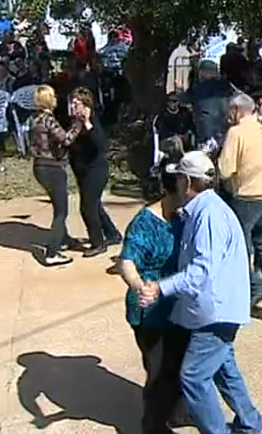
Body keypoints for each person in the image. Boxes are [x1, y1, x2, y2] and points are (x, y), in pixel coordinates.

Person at [138, 151, 262, 434]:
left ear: (186, 180)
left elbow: (201, 270)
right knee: (224, 368)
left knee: (194, 377)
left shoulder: (208, 216)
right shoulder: (204, 210)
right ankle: (252, 425)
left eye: (178, 177)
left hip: (216, 311)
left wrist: (161, 287)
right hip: (216, 309)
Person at [116, 160, 189, 433]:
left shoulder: (186, 216)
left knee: (181, 365)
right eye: (183, 194)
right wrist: (139, 286)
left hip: (180, 304)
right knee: (158, 372)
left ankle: (178, 413)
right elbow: (127, 262)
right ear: (170, 191)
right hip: (150, 308)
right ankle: (153, 426)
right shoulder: (144, 223)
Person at [217, 94, 262, 307]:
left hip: (248, 195)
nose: (228, 116)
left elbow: (225, 169)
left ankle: (255, 285)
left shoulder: (236, 133)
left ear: (237, 111)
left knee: (240, 245)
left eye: (230, 111)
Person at [30, 85, 86, 267]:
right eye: (53, 96)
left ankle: (64, 238)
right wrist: (78, 124)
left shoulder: (35, 119)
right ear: (49, 100)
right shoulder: (48, 120)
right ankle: (52, 253)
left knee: (57, 205)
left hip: (39, 166)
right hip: (52, 167)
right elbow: (66, 140)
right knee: (61, 212)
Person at [68, 88, 122, 257]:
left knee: (87, 207)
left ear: (86, 105)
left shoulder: (92, 121)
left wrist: (87, 124)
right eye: (72, 102)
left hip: (96, 170)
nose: (72, 106)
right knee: (95, 205)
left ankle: (98, 242)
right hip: (82, 170)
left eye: (76, 103)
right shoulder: (74, 121)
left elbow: (101, 145)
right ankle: (112, 234)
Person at [184, 60, 236, 147]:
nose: (199, 74)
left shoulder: (200, 87)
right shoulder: (226, 85)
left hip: (206, 128)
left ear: (206, 72)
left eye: (201, 71)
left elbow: (187, 98)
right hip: (224, 128)